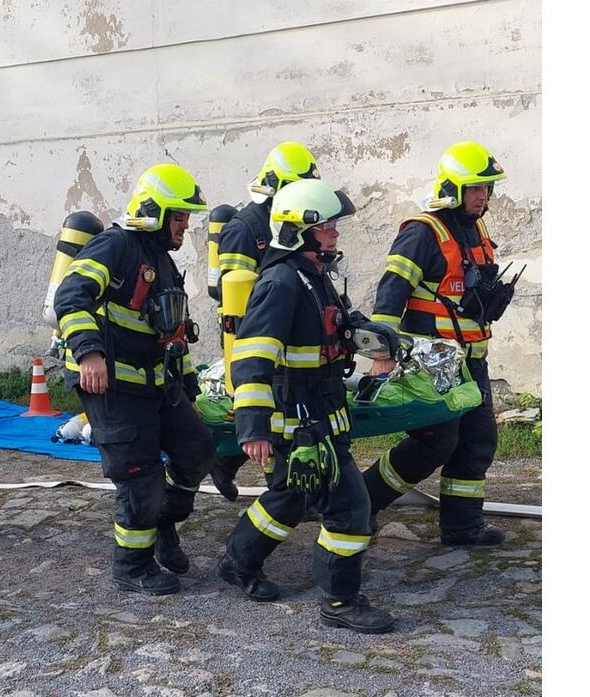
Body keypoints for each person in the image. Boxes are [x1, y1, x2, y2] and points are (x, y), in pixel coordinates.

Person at [218, 178, 395, 634]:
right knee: (350, 509)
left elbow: (336, 325)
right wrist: (253, 427)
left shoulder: (314, 275)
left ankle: (238, 562)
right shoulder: (280, 281)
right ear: (301, 230)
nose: (336, 234)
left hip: (320, 414)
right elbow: (253, 356)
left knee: (291, 495)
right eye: (329, 227)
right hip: (297, 422)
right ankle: (340, 600)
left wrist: (370, 334)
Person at [53, 163, 216, 595]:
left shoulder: (161, 260)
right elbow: (71, 296)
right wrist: (89, 352)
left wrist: (190, 391)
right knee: (139, 474)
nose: (184, 225)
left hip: (159, 384)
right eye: (178, 217)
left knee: (198, 451)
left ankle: (164, 522)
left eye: (186, 217)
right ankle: (132, 566)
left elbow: (173, 336)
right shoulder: (116, 246)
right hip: (112, 387)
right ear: (154, 212)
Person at [362, 141, 514, 546]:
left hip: (472, 361)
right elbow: (391, 292)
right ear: (453, 188)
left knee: (477, 442)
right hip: (434, 366)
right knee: (435, 444)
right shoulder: (422, 232)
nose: (482, 196)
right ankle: (360, 505)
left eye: (487, 188)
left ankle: (462, 529)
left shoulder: (475, 227)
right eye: (475, 188)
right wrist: (382, 353)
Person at [207, 141, 321, 501]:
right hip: (257, 335)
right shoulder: (246, 228)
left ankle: (223, 461)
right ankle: (281, 490)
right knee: (267, 408)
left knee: (282, 408)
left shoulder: (289, 222)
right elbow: (237, 300)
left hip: (289, 332)